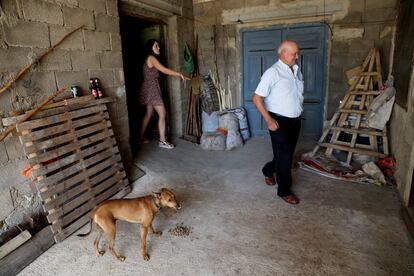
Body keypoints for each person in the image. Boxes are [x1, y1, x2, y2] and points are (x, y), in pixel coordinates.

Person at [252, 40, 303, 204]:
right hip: (278, 121)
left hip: (295, 120)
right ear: (282, 53)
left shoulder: (296, 70)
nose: (297, 56)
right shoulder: (272, 73)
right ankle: (284, 191)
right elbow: (256, 98)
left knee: (284, 155)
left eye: (297, 53)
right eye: (293, 53)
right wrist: (268, 120)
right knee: (285, 157)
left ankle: (268, 170)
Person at [139, 39, 189, 149]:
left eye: (158, 46)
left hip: (148, 88)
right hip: (152, 89)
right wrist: (179, 74)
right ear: (150, 48)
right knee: (162, 114)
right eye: (156, 46)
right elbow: (164, 70)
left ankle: (140, 138)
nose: (159, 48)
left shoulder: (148, 58)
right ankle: (162, 141)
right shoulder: (151, 58)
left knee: (148, 114)